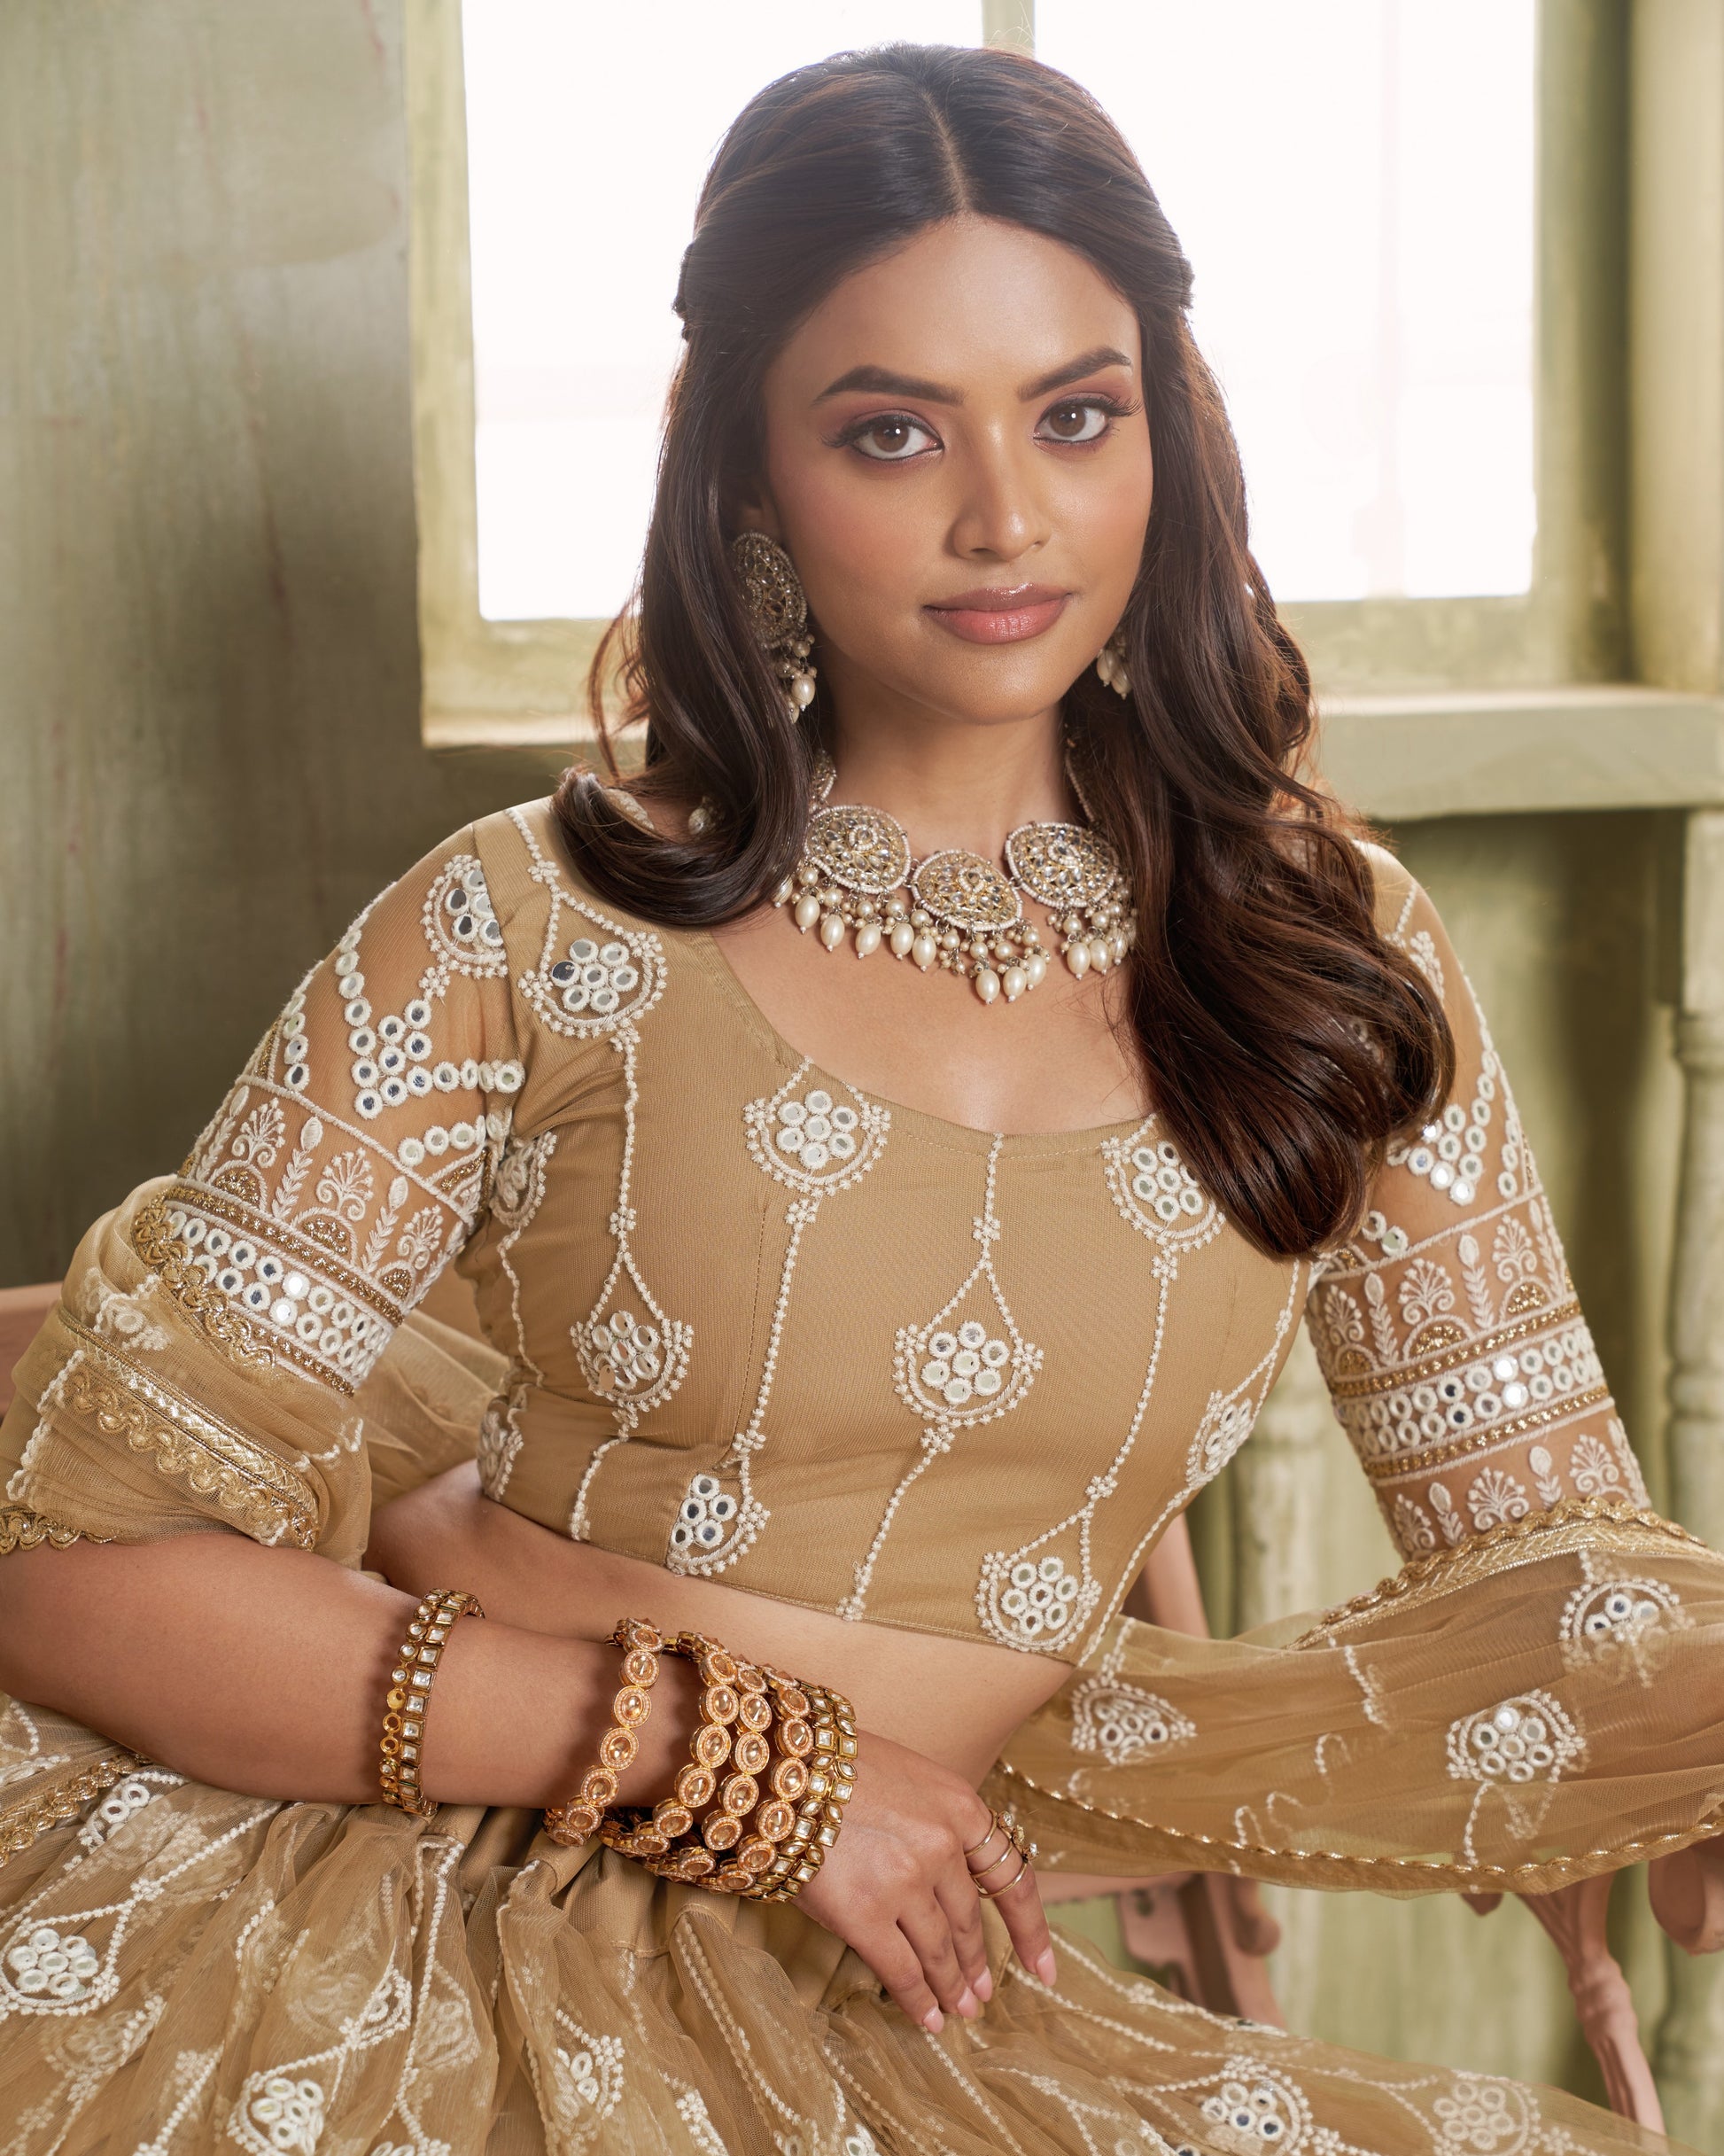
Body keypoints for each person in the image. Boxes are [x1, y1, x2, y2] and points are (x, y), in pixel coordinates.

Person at [1, 40, 1720, 2155]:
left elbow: (1546, 1549)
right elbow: (79, 1573)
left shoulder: (1320, 949)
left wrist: (1693, 1740)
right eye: (890, 431)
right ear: (745, 466)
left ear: (1161, 434)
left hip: (917, 1979)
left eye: (1074, 416)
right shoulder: (526, 930)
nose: (1005, 519)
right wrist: (737, 1766)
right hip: (431, 1913)